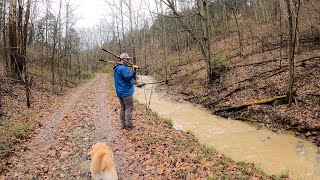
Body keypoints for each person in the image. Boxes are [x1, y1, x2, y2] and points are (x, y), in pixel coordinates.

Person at [113, 53, 137, 129]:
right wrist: (134, 70)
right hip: (126, 92)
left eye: (128, 59)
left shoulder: (117, 68)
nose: (128, 60)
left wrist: (133, 71)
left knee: (123, 108)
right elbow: (127, 77)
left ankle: (123, 124)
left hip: (120, 92)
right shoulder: (123, 68)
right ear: (123, 59)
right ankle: (129, 125)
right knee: (129, 108)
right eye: (127, 59)